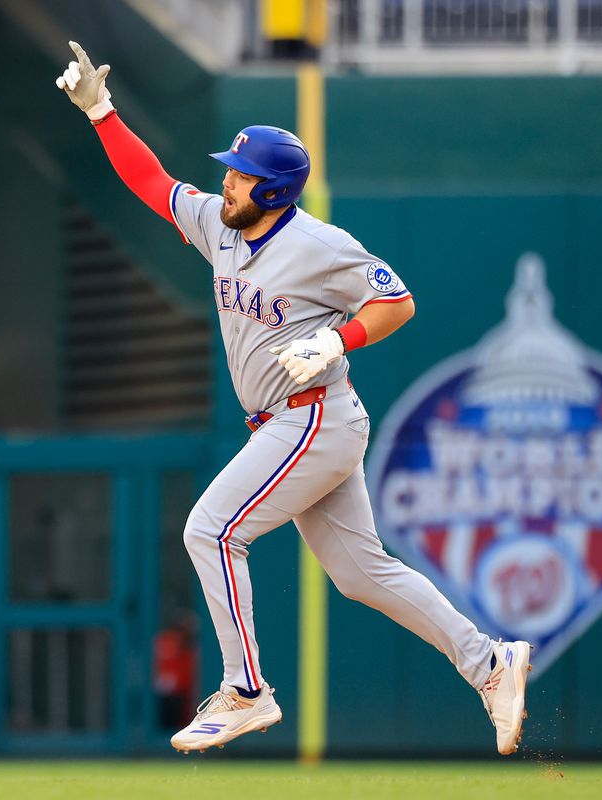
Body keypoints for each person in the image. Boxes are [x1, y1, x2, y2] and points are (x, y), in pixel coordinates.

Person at [56, 42, 531, 755]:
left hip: (312, 417)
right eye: (230, 173)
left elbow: (397, 302)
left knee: (211, 531)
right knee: (362, 574)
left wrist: (341, 342)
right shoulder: (221, 226)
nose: (227, 186)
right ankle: (490, 662)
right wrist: (101, 112)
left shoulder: (320, 244)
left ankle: (246, 691)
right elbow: (154, 184)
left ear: (274, 191)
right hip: (286, 423)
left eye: (241, 178)